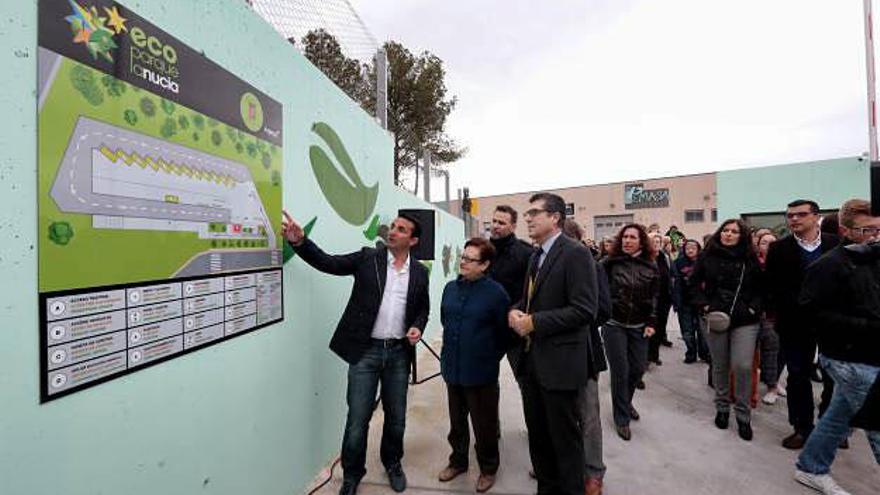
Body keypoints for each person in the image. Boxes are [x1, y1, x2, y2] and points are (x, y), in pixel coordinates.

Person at [282, 210, 430, 495]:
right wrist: (300, 242)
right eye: (393, 227)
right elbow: (328, 263)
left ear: (412, 240)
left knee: (396, 417)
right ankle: (352, 474)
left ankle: (393, 463)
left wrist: (417, 326)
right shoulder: (367, 258)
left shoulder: (420, 273)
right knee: (357, 419)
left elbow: (423, 307)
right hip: (366, 352)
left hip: (399, 354)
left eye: (401, 229)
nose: (393, 231)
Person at [507, 192, 599, 495]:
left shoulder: (575, 253)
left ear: (555, 217)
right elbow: (532, 299)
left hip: (560, 366)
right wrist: (515, 309)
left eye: (535, 213)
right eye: (528, 213)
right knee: (539, 438)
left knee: (565, 443)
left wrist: (533, 322)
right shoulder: (536, 255)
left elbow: (585, 309)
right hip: (532, 363)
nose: (529, 218)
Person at [794, 199, 880, 494]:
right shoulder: (828, 266)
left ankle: (811, 466)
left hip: (872, 354)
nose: (875, 235)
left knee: (839, 414)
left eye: (879, 229)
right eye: (867, 230)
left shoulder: (875, 259)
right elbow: (811, 315)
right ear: (845, 230)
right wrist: (868, 327)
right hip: (847, 357)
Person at [765, 200, 840, 449]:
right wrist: (777, 313)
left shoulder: (836, 243)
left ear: (816, 217)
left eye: (800, 214)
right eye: (790, 215)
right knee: (798, 376)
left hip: (833, 322)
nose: (794, 219)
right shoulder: (778, 248)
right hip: (794, 323)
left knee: (834, 377)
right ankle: (802, 427)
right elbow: (772, 286)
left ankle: (831, 427)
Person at [437, 238, 510, 493]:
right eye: (463, 257)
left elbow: (505, 334)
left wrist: (489, 358)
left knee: (484, 425)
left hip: (481, 373)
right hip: (452, 368)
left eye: (470, 259)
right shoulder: (449, 289)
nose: (463, 262)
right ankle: (458, 461)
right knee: (457, 423)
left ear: (485, 264)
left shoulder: (496, 294)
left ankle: (488, 468)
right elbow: (445, 320)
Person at [691, 219, 763, 441]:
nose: (728, 234)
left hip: (745, 321)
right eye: (725, 230)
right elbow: (693, 284)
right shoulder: (707, 256)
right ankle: (722, 407)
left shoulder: (750, 258)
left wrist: (752, 309)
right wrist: (703, 305)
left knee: (742, 365)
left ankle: (743, 413)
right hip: (715, 318)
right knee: (720, 365)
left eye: (734, 231)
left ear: (742, 236)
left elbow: (762, 289)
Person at [563, 219, 610, 495]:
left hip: (585, 352)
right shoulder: (542, 265)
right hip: (552, 355)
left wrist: (571, 316)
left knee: (589, 415)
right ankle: (563, 464)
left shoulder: (594, 267)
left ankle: (593, 472)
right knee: (559, 416)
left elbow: (604, 310)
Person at [600, 224, 658, 441]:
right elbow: (597, 290)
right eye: (624, 237)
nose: (627, 240)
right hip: (613, 324)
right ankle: (621, 418)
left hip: (639, 326)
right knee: (621, 371)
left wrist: (652, 321)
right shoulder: (608, 264)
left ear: (641, 241)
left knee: (637, 369)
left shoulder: (651, 266)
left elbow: (654, 297)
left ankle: (625, 401)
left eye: (632, 237)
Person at [756, 231, 784, 405]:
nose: (768, 245)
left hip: (773, 316)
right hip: (753, 314)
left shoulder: (783, 264)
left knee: (772, 352)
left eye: (772, 242)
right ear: (758, 245)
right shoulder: (752, 263)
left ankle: (772, 386)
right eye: (764, 242)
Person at [673, 239, 710, 364]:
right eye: (687, 247)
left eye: (693, 247)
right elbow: (675, 284)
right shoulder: (678, 263)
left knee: (702, 331)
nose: (690, 249)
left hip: (701, 303)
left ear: (698, 249)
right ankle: (691, 353)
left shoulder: (704, 262)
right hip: (684, 303)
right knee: (687, 331)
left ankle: (704, 353)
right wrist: (676, 302)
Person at [648, 233, 674, 365]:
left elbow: (670, 275)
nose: (656, 244)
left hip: (664, 298)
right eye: (654, 242)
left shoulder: (665, 257)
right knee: (649, 328)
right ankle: (646, 357)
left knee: (660, 328)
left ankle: (654, 355)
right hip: (651, 299)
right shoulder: (646, 258)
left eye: (658, 242)